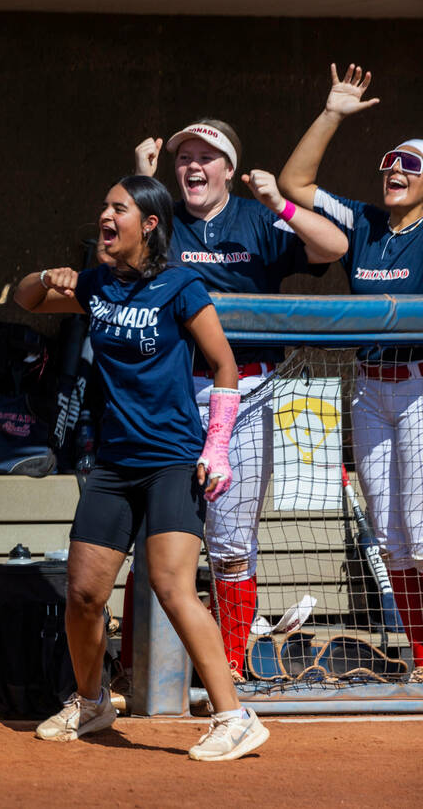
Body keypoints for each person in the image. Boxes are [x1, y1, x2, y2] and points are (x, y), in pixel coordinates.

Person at [13, 174, 269, 761]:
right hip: (114, 462)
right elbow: (26, 299)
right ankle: (93, 700)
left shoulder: (181, 285)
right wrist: (44, 277)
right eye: (104, 205)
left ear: (148, 224)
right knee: (82, 594)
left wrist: (218, 445)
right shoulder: (96, 284)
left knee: (173, 586)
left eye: (117, 208)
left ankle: (234, 715)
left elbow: (224, 364)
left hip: (174, 459)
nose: (104, 215)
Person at [126, 120, 348, 681]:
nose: (193, 167)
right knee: (154, 539)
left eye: (207, 157)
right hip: (172, 394)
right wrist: (142, 180)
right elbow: (111, 256)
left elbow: (334, 246)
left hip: (246, 391)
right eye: (184, 159)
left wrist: (278, 201)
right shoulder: (161, 220)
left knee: (229, 543)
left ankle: (228, 669)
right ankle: (142, 672)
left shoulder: (256, 218)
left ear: (229, 168)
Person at [278, 63, 423, 683]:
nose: (395, 170)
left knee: (421, 532)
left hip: (420, 389)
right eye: (390, 161)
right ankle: (421, 659)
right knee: (391, 537)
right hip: (368, 390)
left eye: (411, 165)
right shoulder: (363, 222)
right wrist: (334, 112)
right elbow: (294, 183)